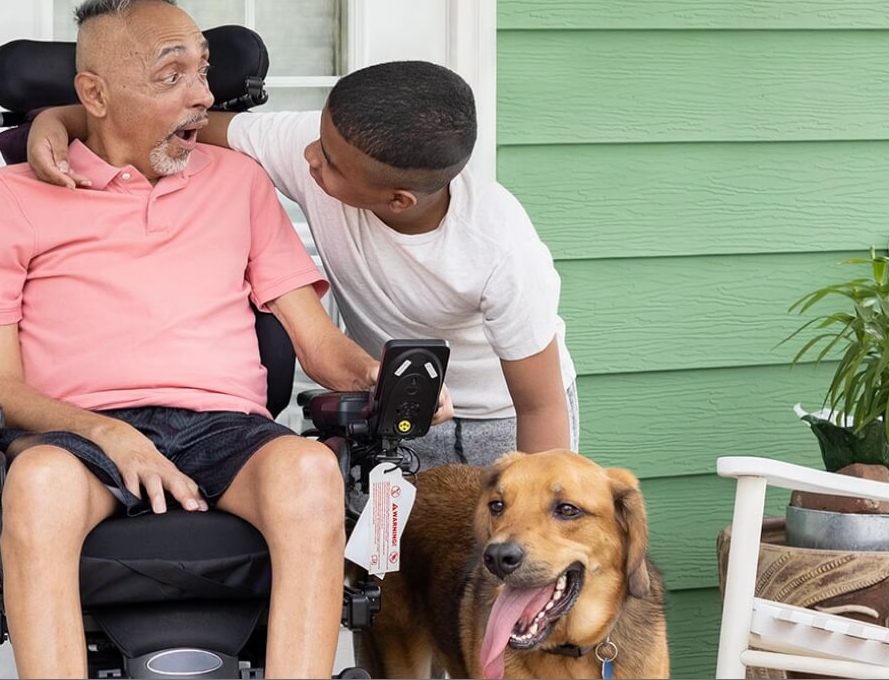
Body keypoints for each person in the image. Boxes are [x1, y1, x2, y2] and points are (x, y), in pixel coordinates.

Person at [0, 0, 448, 678]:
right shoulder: (10, 197)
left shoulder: (239, 180)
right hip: (78, 432)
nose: (201, 95)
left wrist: (372, 373)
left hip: (224, 430)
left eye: (204, 69)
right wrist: (109, 432)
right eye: (171, 75)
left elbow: (315, 342)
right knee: (35, 481)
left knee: (311, 470)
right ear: (93, 96)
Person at [28, 59, 578, 467]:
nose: (310, 157)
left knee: (503, 586)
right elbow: (170, 130)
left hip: (505, 422)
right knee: (389, 590)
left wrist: (531, 509)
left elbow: (541, 406)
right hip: (393, 413)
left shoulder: (501, 250)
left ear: (397, 200)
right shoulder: (314, 148)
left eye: (330, 162)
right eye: (319, 137)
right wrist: (60, 120)